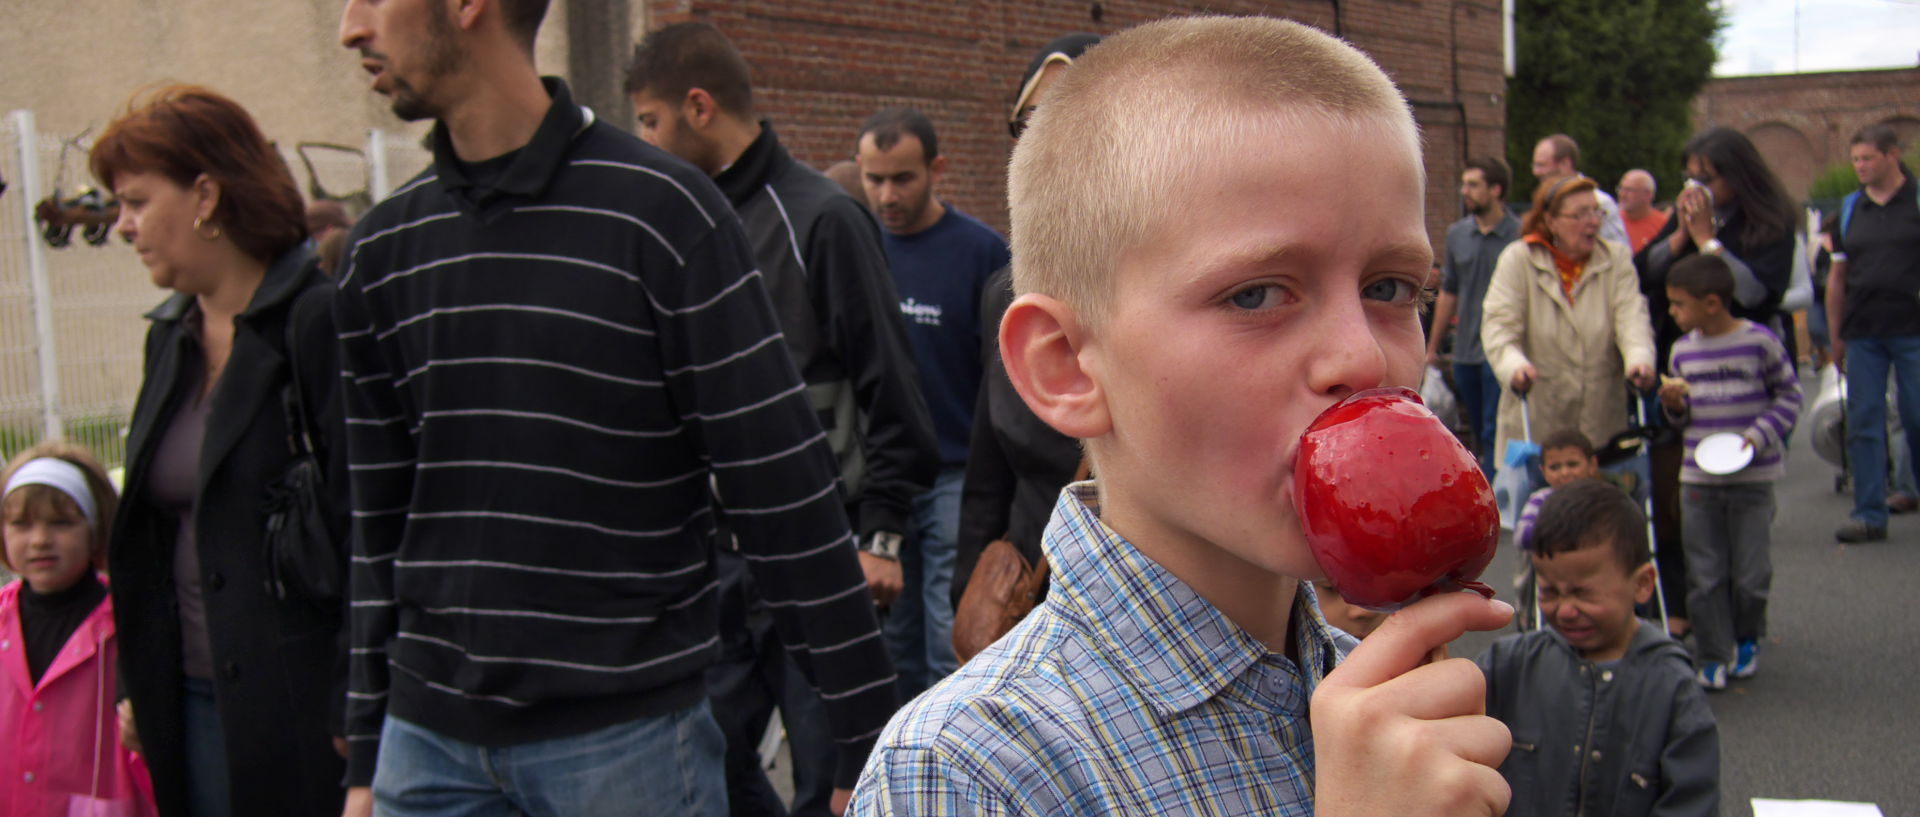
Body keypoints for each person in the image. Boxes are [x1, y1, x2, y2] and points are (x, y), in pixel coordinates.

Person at [849, 16, 1515, 816]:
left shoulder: (1388, 694)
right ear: (1066, 366)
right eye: (1257, 294)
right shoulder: (964, 770)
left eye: (1391, 289)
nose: (1364, 360)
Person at [333, 2, 899, 816]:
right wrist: (366, 745)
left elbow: (782, 487)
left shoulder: (665, 216)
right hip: (428, 749)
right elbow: (376, 521)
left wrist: (864, 733)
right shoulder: (380, 252)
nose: (351, 28)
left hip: (624, 744)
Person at [625, 22, 939, 817]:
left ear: (699, 108)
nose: (644, 143)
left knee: (832, 779)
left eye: (649, 122)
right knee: (711, 760)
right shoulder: (673, 224)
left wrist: (882, 532)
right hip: (712, 565)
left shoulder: (821, 217)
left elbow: (892, 390)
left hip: (819, 555)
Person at [91, 84, 347, 817]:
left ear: (205, 195)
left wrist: (356, 703)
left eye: (137, 201)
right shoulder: (168, 337)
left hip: (304, 713)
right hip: (192, 699)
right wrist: (140, 680)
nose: (123, 226)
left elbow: (370, 524)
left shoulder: (313, 322)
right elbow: (150, 526)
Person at [854, 108, 1010, 697]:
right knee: (891, 639)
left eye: (902, 178)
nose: (886, 195)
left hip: (954, 475)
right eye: (874, 179)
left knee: (952, 633)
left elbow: (1004, 375)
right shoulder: (859, 246)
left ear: (936, 168)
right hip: (881, 482)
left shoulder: (981, 253)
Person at [953, 32, 1099, 610]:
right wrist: (967, 591)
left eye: (1074, 116)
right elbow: (988, 470)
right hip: (1035, 598)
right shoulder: (1006, 291)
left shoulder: (1191, 283)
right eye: (1032, 121)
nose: (1051, 142)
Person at [1476, 479, 1720, 817]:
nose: (1565, 610)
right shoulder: (1508, 666)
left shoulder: (1672, 687)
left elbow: (1692, 802)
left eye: (1584, 593)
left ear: (1642, 584)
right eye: (1550, 591)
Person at [1660, 253, 1801, 689]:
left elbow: (1789, 397)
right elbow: (1680, 420)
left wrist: (1758, 436)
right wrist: (1675, 406)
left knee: (1751, 572)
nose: (1672, 313)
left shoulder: (1759, 342)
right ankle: (1714, 652)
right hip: (1698, 477)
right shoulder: (1682, 352)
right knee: (1704, 570)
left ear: (1713, 303)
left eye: (1679, 304)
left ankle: (1746, 636)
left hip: (1752, 477)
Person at [1, 444, 155, 817]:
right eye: (21, 524)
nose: (39, 540)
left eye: (60, 523)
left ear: (95, 530)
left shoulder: (126, 624)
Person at [1481, 175, 1657, 481]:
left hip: (1600, 422)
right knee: (1541, 520)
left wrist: (1639, 359)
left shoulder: (1616, 260)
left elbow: (1632, 318)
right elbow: (1498, 327)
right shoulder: (1519, 259)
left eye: (1596, 212)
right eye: (1580, 214)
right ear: (1550, 220)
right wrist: (1514, 366)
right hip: (1537, 421)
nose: (1592, 222)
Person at [1825, 123, 1920, 543]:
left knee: (1916, 416)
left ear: (1892, 155)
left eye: (1867, 158)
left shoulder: (1915, 199)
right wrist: (1835, 335)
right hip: (1863, 330)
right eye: (1856, 159)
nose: (1860, 166)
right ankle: (1868, 513)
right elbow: (1837, 276)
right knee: (1863, 420)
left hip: (1913, 328)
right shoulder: (1848, 209)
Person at [1426, 156, 1520, 475]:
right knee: (1476, 430)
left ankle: (1495, 497)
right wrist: (1433, 346)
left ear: (1496, 189)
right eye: (1464, 183)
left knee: (1497, 429)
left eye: (1473, 184)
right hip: (1466, 349)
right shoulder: (1457, 234)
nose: (1464, 190)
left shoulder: (1518, 235)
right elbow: (1449, 291)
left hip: (1502, 350)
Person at [1531, 134, 1629, 249]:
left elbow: (1620, 250)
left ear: (1565, 164)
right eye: (1534, 165)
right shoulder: (1546, 200)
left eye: (1542, 165)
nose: (1536, 172)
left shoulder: (1599, 201)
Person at [1513, 428, 1601, 552]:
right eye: (1555, 467)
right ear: (1543, 471)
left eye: (1572, 464)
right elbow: (1521, 537)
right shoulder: (1541, 500)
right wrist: (1565, 532)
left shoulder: (1603, 498)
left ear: (1592, 465)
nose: (1564, 473)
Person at [1618, 169, 1669, 254]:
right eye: (1621, 189)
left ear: (1647, 195)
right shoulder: (1613, 221)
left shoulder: (1663, 225)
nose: (1622, 195)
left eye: (1629, 190)